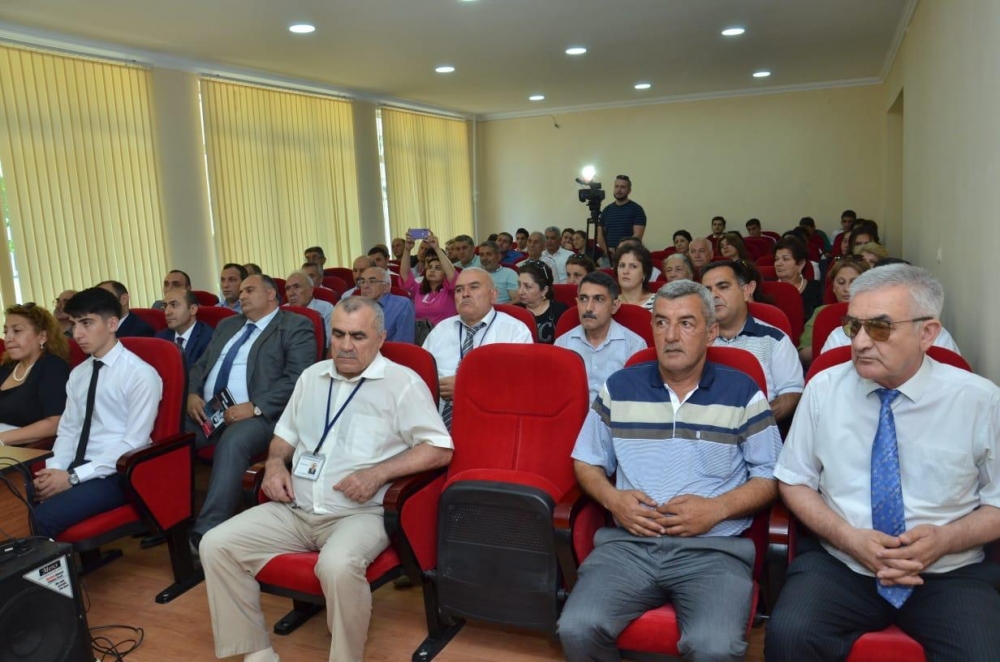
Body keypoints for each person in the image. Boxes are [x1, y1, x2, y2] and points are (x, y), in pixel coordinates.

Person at [766, 264, 1000, 661]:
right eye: (853, 326)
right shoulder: (824, 389)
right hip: (842, 563)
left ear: (927, 333)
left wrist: (944, 540)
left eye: (879, 328)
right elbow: (794, 480)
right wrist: (849, 538)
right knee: (789, 635)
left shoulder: (979, 400)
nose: (859, 342)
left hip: (947, 571)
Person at [200, 297, 453, 662]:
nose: (346, 346)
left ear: (381, 338)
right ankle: (257, 652)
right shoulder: (312, 377)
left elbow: (439, 448)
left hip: (359, 513)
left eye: (358, 336)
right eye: (338, 334)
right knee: (215, 544)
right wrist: (275, 464)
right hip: (295, 508)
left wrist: (378, 473)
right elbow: (284, 435)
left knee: (336, 565)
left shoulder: (402, 384)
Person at [558, 279, 782, 662]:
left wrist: (717, 509)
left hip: (713, 550)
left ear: (711, 332)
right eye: (661, 322)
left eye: (686, 323)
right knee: (576, 628)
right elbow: (587, 460)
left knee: (714, 647)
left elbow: (771, 476)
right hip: (629, 546)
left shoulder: (742, 392)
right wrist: (613, 499)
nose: (671, 335)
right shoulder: (620, 387)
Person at [186, 274, 315, 543]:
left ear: (270, 294)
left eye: (249, 290)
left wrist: (255, 407)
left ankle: (207, 530)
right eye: (241, 291)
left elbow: (298, 378)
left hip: (264, 416)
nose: (242, 295)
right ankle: (169, 518)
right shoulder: (227, 325)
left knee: (234, 441)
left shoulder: (295, 325)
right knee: (170, 437)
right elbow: (201, 365)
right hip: (209, 412)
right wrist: (192, 394)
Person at [32, 288, 162, 538]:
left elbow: (133, 443)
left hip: (115, 473)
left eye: (87, 323)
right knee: (11, 505)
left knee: (37, 519)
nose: (77, 334)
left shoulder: (140, 374)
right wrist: (54, 471)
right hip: (74, 467)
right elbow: (69, 431)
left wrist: (72, 477)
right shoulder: (79, 374)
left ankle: (54, 564)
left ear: (112, 324)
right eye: (74, 324)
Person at [422, 268, 533, 427]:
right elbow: (421, 378)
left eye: (474, 287)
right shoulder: (441, 330)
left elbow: (519, 387)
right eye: (459, 290)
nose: (465, 294)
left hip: (492, 422)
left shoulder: (515, 331)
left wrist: (467, 388)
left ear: (493, 295)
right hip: (436, 423)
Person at [702, 261, 804, 423]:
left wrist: (750, 423)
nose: (713, 295)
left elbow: (791, 394)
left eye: (723, 287)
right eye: (707, 290)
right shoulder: (696, 340)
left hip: (758, 427)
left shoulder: (775, 339)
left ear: (746, 291)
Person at [554, 272, 646, 402]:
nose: (588, 308)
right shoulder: (562, 343)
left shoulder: (634, 346)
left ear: (614, 306)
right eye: (583, 299)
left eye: (599, 299)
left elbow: (638, 399)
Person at [0, 303, 70, 447]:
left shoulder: (52, 366)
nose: (8, 338)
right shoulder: (8, 366)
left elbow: (55, 423)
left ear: (42, 336)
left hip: (27, 450)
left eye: (17, 331)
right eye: (6, 332)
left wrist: (2, 438)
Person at [798, 257, 870, 364]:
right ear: (833, 288)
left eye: (854, 282)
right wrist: (829, 346)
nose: (847, 288)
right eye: (841, 282)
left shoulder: (878, 313)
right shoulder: (822, 312)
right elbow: (802, 354)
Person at [399, 232, 458, 326]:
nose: (432, 270)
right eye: (430, 267)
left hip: (445, 333)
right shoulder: (419, 289)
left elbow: (452, 275)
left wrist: (437, 248)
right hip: (421, 334)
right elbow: (404, 275)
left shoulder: (450, 290)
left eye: (438, 268)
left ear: (445, 273)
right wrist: (407, 249)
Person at [156, 288, 212, 368]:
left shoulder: (209, 338)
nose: (166, 312)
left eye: (174, 305)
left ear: (192, 309)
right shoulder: (160, 338)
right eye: (165, 306)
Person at [357, 267, 415, 344]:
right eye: (362, 282)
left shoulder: (402, 305)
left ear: (386, 287)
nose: (365, 286)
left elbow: (403, 345)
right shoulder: (356, 306)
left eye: (372, 281)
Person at [773, 236, 823, 321]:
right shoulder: (768, 289)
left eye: (785, 259)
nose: (778, 263)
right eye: (776, 259)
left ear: (801, 264)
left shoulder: (816, 288)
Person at [516, 261, 567, 344]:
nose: (520, 292)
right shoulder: (514, 311)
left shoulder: (560, 312)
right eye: (519, 285)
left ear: (544, 290)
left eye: (528, 287)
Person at [285, 270, 335, 349]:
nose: (291, 293)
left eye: (297, 287)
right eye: (288, 288)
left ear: (310, 291)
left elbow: (328, 343)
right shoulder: (282, 311)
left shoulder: (326, 309)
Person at [598, 175, 646, 255]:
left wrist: (621, 251)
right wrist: (607, 251)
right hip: (608, 255)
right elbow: (600, 234)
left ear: (629, 190)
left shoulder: (637, 209)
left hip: (629, 254)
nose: (619, 190)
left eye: (623, 187)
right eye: (616, 186)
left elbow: (637, 236)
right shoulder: (607, 210)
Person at [615, 243, 656, 310]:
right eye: (622, 265)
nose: (625, 271)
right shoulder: (609, 304)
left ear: (644, 273)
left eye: (633, 266)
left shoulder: (659, 302)